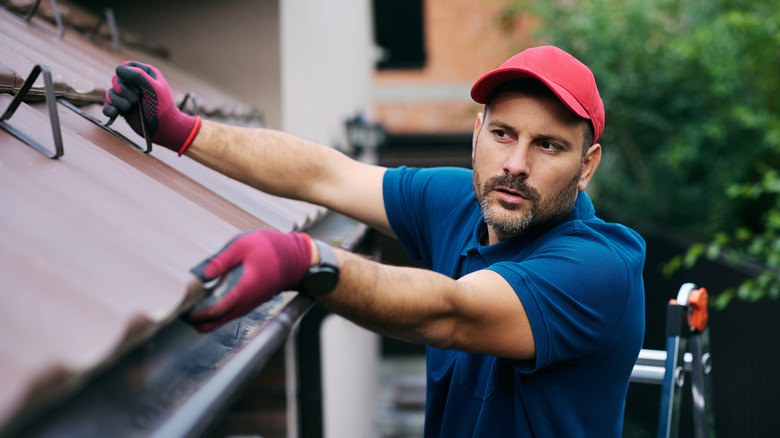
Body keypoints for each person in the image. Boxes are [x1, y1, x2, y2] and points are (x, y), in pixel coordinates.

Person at [104, 45, 645, 437]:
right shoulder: (460, 202)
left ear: (586, 166)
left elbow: (452, 313)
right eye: (503, 133)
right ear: (477, 132)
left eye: (548, 146)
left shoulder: (599, 269)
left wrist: (306, 260)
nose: (515, 165)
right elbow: (326, 174)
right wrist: (181, 130)